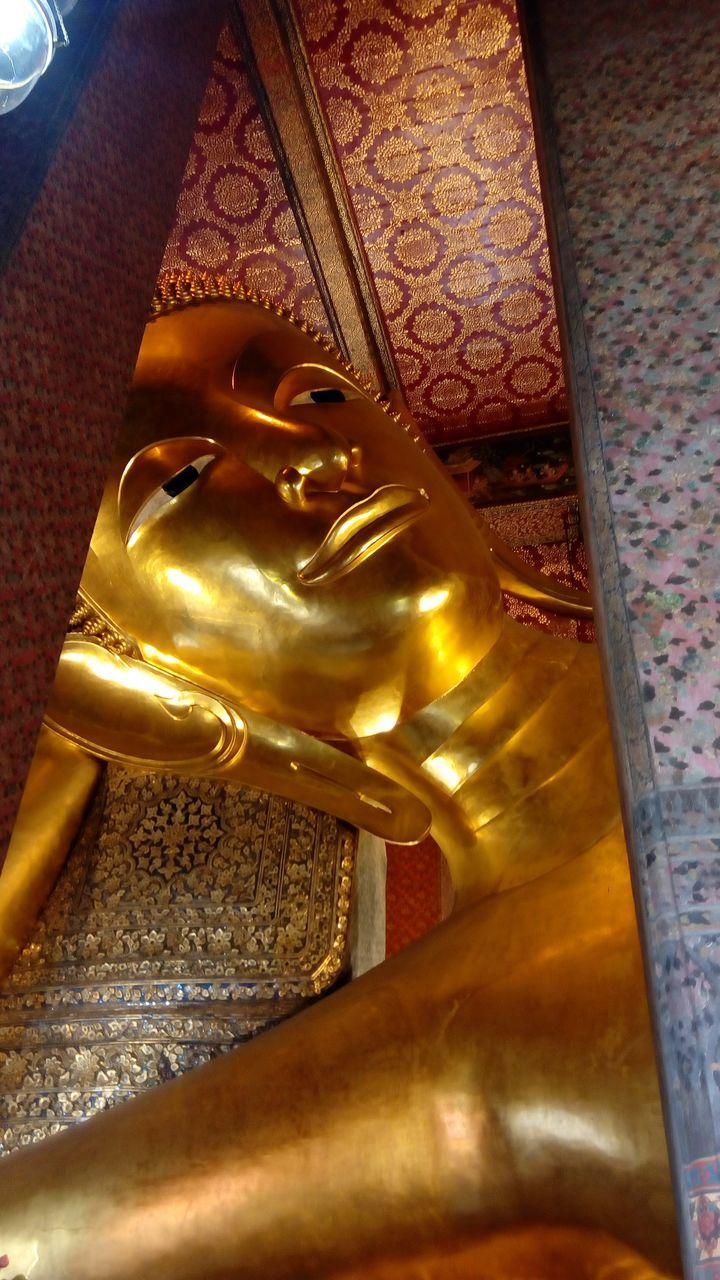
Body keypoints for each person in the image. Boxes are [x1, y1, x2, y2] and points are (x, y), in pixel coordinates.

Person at [0, 279, 679, 1279]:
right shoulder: (464, 1053)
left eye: (316, 395)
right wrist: (55, 745)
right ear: (162, 679)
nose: (320, 455)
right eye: (182, 485)